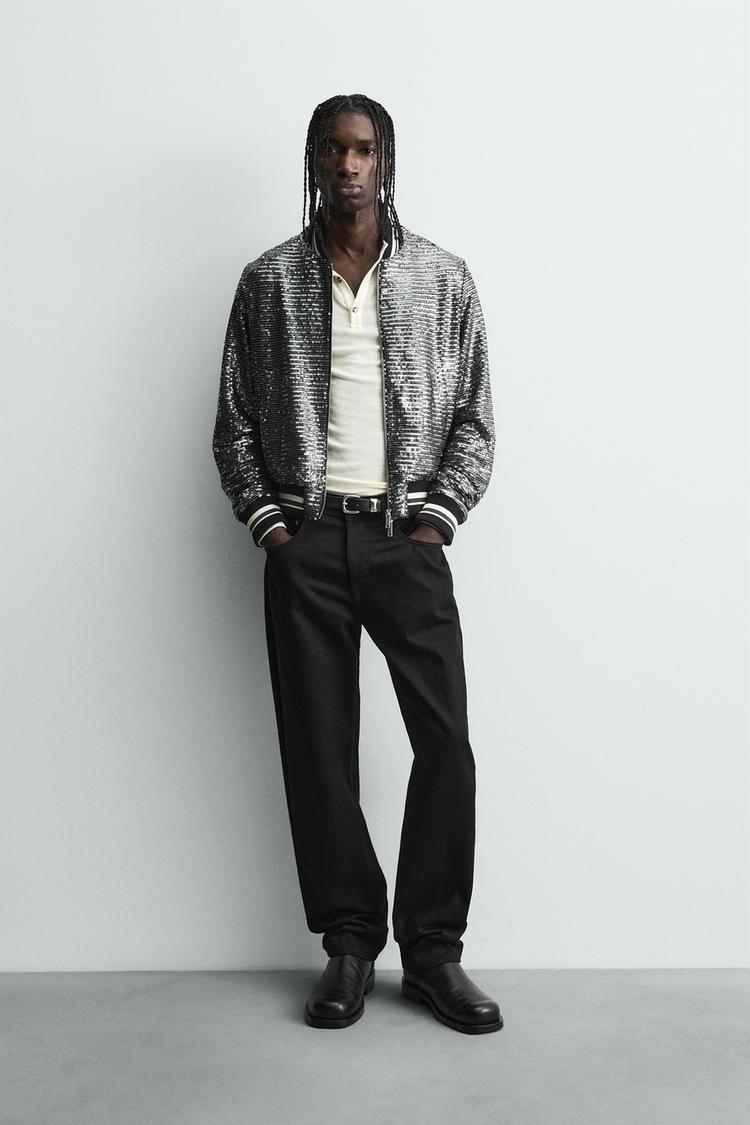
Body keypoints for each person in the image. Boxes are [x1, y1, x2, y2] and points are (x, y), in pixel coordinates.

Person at [213, 93, 502, 1035]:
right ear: (313, 160)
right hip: (307, 543)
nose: (349, 164)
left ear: (386, 160)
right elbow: (235, 422)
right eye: (333, 149)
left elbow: (475, 418)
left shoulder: (442, 277)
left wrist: (435, 522)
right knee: (319, 748)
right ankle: (347, 943)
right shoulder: (268, 282)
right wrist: (273, 528)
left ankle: (433, 952)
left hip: (404, 539)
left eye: (364, 148)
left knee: (445, 742)